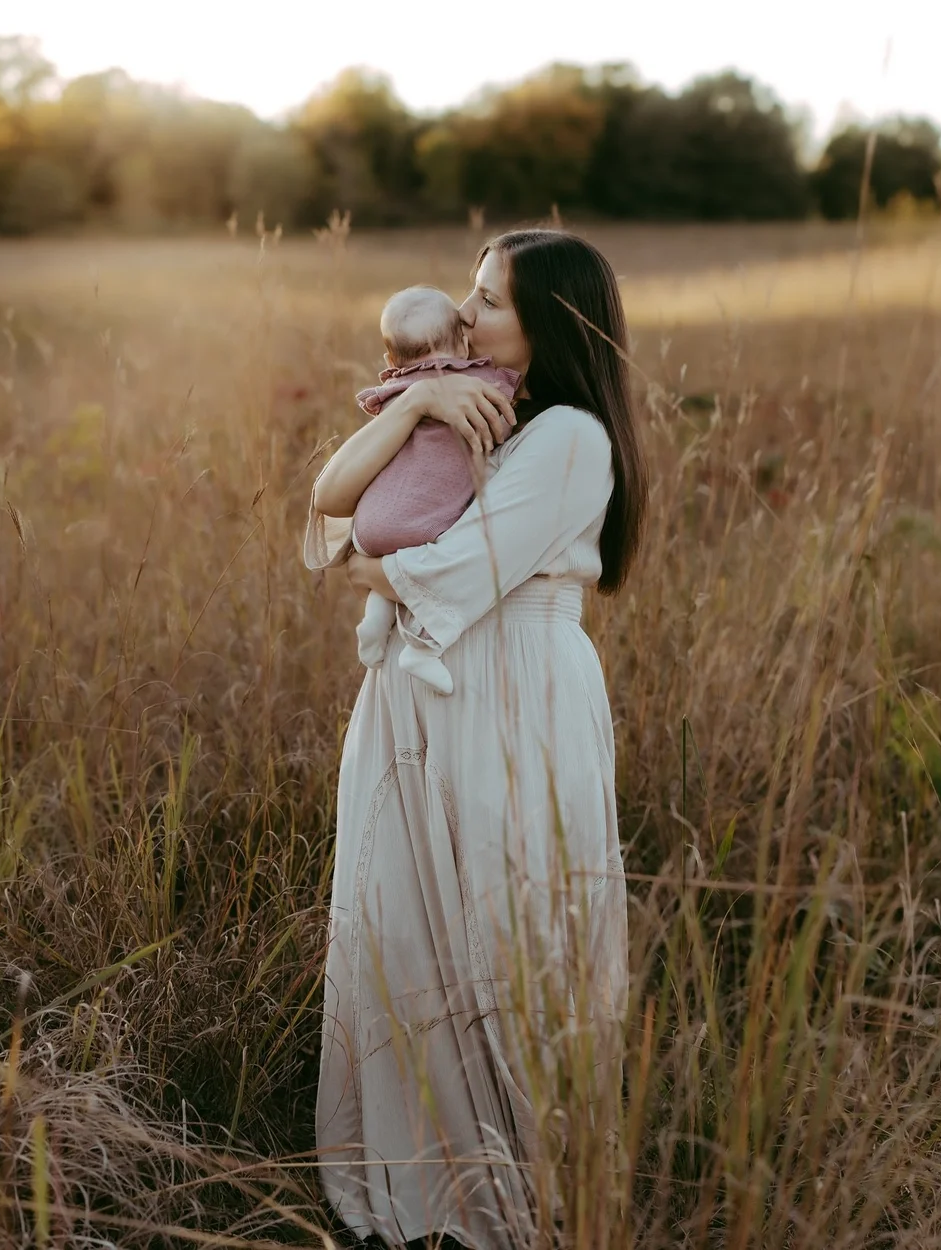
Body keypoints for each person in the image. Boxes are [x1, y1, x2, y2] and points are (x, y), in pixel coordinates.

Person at [310, 230, 649, 1250]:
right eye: (468, 290)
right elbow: (328, 505)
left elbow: (430, 569)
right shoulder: (478, 410)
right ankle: (424, 1178)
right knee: (407, 917)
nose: (465, 313)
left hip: (512, 695)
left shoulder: (571, 438)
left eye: (489, 298)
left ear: (549, 321)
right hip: (422, 689)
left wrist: (353, 550)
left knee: (508, 929)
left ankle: (522, 1187)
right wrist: (412, 402)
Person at [303, 285, 519, 696]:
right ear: (460, 341)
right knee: (434, 537)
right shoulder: (480, 384)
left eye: (488, 301)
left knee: (406, 547)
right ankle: (423, 647)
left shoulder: (390, 393)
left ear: (390, 361)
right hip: (422, 527)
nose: (469, 312)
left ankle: (376, 618)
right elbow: (327, 495)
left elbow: (330, 500)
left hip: (367, 533)